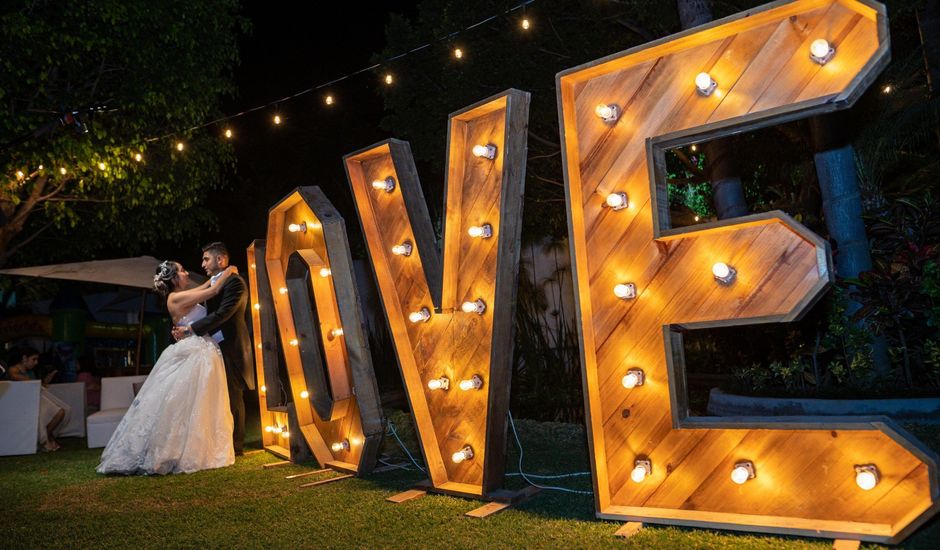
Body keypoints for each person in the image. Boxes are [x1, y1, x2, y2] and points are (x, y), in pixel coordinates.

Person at [96, 261, 237, 475]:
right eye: (182, 270)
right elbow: (213, 290)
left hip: (199, 348)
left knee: (196, 402)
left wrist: (217, 276)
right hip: (194, 352)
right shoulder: (176, 297)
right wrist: (230, 272)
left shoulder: (183, 293)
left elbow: (208, 285)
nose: (186, 272)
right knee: (187, 403)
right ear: (173, 278)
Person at [172, 242, 255, 456]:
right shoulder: (215, 284)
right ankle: (222, 441)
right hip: (211, 348)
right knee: (219, 397)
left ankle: (236, 446)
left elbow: (223, 314)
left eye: (206, 259)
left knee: (233, 396)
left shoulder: (235, 283)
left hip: (231, 347)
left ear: (221, 260)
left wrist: (190, 330)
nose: (202, 264)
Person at [7, 346, 70, 451]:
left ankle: (46, 437)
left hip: (34, 399)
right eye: (34, 359)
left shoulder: (29, 372)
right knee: (59, 412)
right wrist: (38, 382)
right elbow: (18, 379)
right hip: (24, 404)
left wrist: (45, 381)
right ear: (24, 358)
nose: (36, 363)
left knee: (63, 411)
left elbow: (36, 386)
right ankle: (45, 439)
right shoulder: (13, 370)